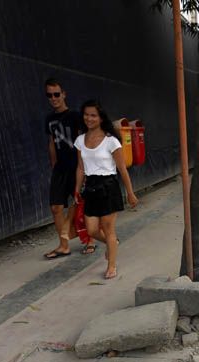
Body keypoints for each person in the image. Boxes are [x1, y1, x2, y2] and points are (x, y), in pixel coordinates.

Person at [74, 99, 139, 279]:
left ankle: (111, 265)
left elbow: (122, 169)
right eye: (86, 115)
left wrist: (130, 193)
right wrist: (77, 189)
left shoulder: (111, 141)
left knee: (108, 229)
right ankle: (113, 244)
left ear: (101, 118)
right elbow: (80, 167)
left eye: (93, 115)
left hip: (108, 186)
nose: (89, 118)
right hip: (91, 188)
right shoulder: (80, 140)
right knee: (92, 230)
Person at [43, 78, 89, 258]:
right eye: (49, 95)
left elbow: (83, 141)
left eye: (56, 94)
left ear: (63, 94)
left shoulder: (75, 116)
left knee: (81, 205)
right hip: (60, 169)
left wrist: (83, 168)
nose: (53, 98)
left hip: (76, 167)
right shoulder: (49, 119)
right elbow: (51, 142)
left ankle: (90, 239)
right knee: (56, 207)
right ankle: (64, 245)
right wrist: (54, 164)